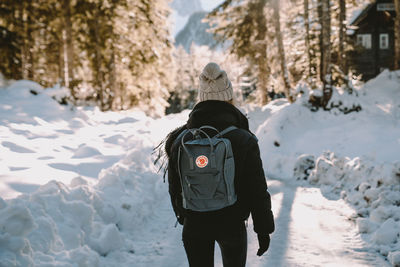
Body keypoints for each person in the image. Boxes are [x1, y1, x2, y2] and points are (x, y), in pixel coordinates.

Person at [164, 62, 275, 267]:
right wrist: (263, 229)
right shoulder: (243, 138)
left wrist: (183, 215)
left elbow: (174, 184)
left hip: (195, 223)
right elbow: (257, 188)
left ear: (201, 98)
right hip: (231, 223)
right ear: (229, 97)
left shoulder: (180, 139)